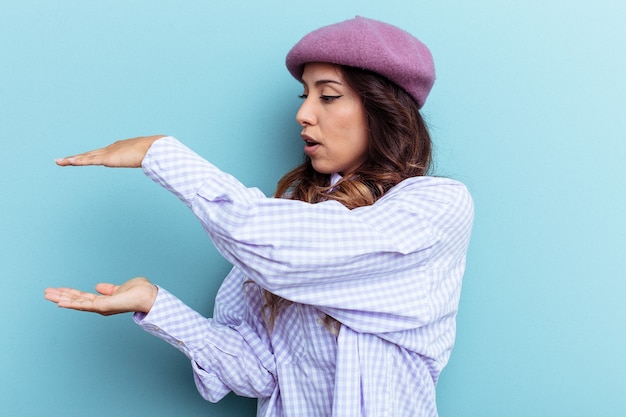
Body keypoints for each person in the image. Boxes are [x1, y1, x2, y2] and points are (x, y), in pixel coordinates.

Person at [45, 16, 474, 417]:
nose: (304, 114)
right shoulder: (287, 217)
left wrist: (163, 156)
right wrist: (155, 304)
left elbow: (297, 253)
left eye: (327, 96)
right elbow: (258, 372)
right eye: (305, 96)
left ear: (384, 109)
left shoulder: (436, 208)